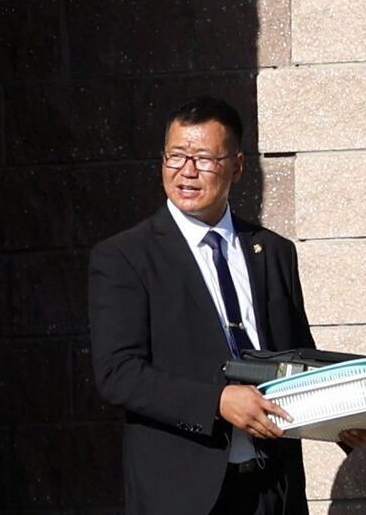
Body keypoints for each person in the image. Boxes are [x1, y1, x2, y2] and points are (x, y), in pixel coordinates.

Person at [89, 102, 316, 515]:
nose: (187, 171)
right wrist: (217, 402)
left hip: (273, 488)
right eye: (176, 156)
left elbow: (300, 356)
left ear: (238, 166)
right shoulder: (126, 257)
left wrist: (346, 418)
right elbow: (117, 374)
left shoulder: (273, 251)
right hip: (184, 492)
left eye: (205, 159)